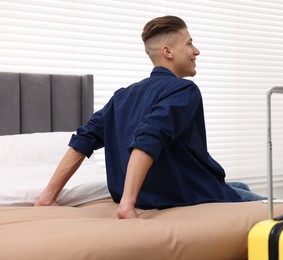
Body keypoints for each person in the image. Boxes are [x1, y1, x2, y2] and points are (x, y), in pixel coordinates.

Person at [34, 15, 265, 219]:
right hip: (178, 195)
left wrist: (48, 196)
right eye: (189, 43)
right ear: (168, 51)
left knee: (239, 186)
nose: (196, 51)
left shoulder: (122, 97)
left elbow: (84, 140)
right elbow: (149, 137)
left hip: (152, 194)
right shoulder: (184, 90)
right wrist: (127, 205)